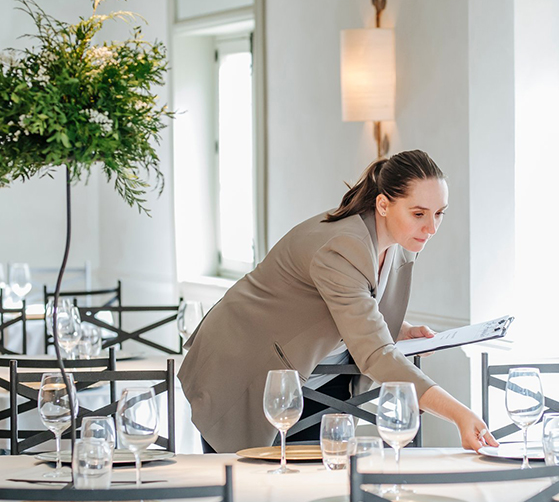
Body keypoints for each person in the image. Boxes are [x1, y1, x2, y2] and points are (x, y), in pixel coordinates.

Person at [179, 150, 500, 454]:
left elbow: (352, 303)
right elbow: (375, 354)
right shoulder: (343, 248)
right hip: (244, 369)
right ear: (384, 204)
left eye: (439, 214)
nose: (430, 228)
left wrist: (397, 328)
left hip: (316, 375)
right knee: (254, 491)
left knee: (318, 485)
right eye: (419, 214)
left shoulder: (400, 241)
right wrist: (458, 413)